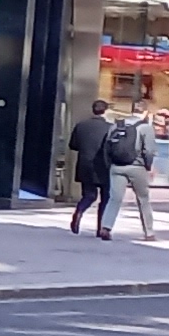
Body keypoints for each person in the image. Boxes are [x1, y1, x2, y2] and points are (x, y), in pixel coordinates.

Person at [64, 100, 119, 238]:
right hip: (104, 167)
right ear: (105, 111)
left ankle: (79, 211)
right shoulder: (111, 128)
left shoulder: (81, 126)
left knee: (89, 195)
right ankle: (101, 228)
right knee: (105, 198)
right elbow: (114, 148)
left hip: (85, 164)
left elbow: (73, 145)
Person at [107, 107, 160, 239]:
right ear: (145, 112)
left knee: (115, 198)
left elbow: (107, 147)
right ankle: (149, 232)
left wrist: (110, 164)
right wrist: (148, 166)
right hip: (137, 167)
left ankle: (106, 227)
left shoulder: (117, 126)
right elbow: (149, 151)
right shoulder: (145, 127)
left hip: (117, 167)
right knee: (143, 199)